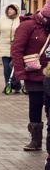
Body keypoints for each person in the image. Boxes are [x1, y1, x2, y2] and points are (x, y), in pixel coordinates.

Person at [11, 8, 49, 152]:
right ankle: (36, 139)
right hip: (34, 74)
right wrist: (20, 73)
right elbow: (17, 50)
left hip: (49, 74)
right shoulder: (28, 25)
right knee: (36, 106)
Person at [0, 3, 21, 90]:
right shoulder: (2, 19)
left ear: (16, 10)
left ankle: (17, 85)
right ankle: (8, 85)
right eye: (9, 9)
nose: (9, 11)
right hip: (4, 46)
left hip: (16, 46)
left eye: (12, 9)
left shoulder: (20, 20)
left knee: (15, 67)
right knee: (6, 67)